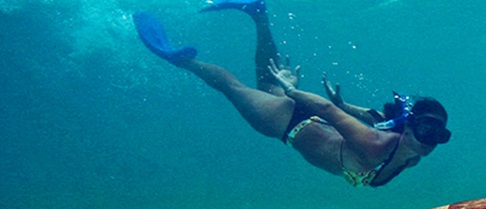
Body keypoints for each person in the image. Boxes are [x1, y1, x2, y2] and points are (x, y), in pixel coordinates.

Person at [132, 0, 451, 188]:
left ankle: (257, 11)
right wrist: (292, 91)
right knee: (232, 88)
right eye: (425, 130)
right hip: (287, 122)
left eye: (439, 135)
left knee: (263, 83)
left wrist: (343, 103)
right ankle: (179, 59)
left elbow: (376, 116)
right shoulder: (375, 144)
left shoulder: (408, 153)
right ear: (411, 126)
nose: (429, 140)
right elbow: (328, 110)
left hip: (301, 119)